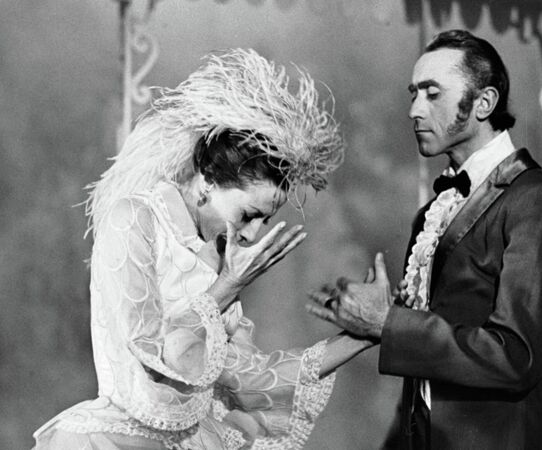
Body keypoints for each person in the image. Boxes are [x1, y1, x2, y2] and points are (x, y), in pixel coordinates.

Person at [33, 49, 376, 450]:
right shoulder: (133, 219)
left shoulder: (218, 256)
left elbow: (249, 379)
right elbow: (148, 363)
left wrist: (368, 334)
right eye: (248, 215)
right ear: (208, 181)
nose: (252, 234)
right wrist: (227, 286)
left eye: (265, 221)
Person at [308, 29, 542, 449]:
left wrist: (388, 323)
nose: (414, 110)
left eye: (432, 94)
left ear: (484, 102)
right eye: (413, 94)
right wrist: (384, 318)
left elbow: (516, 356)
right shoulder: (433, 213)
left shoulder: (536, 201)